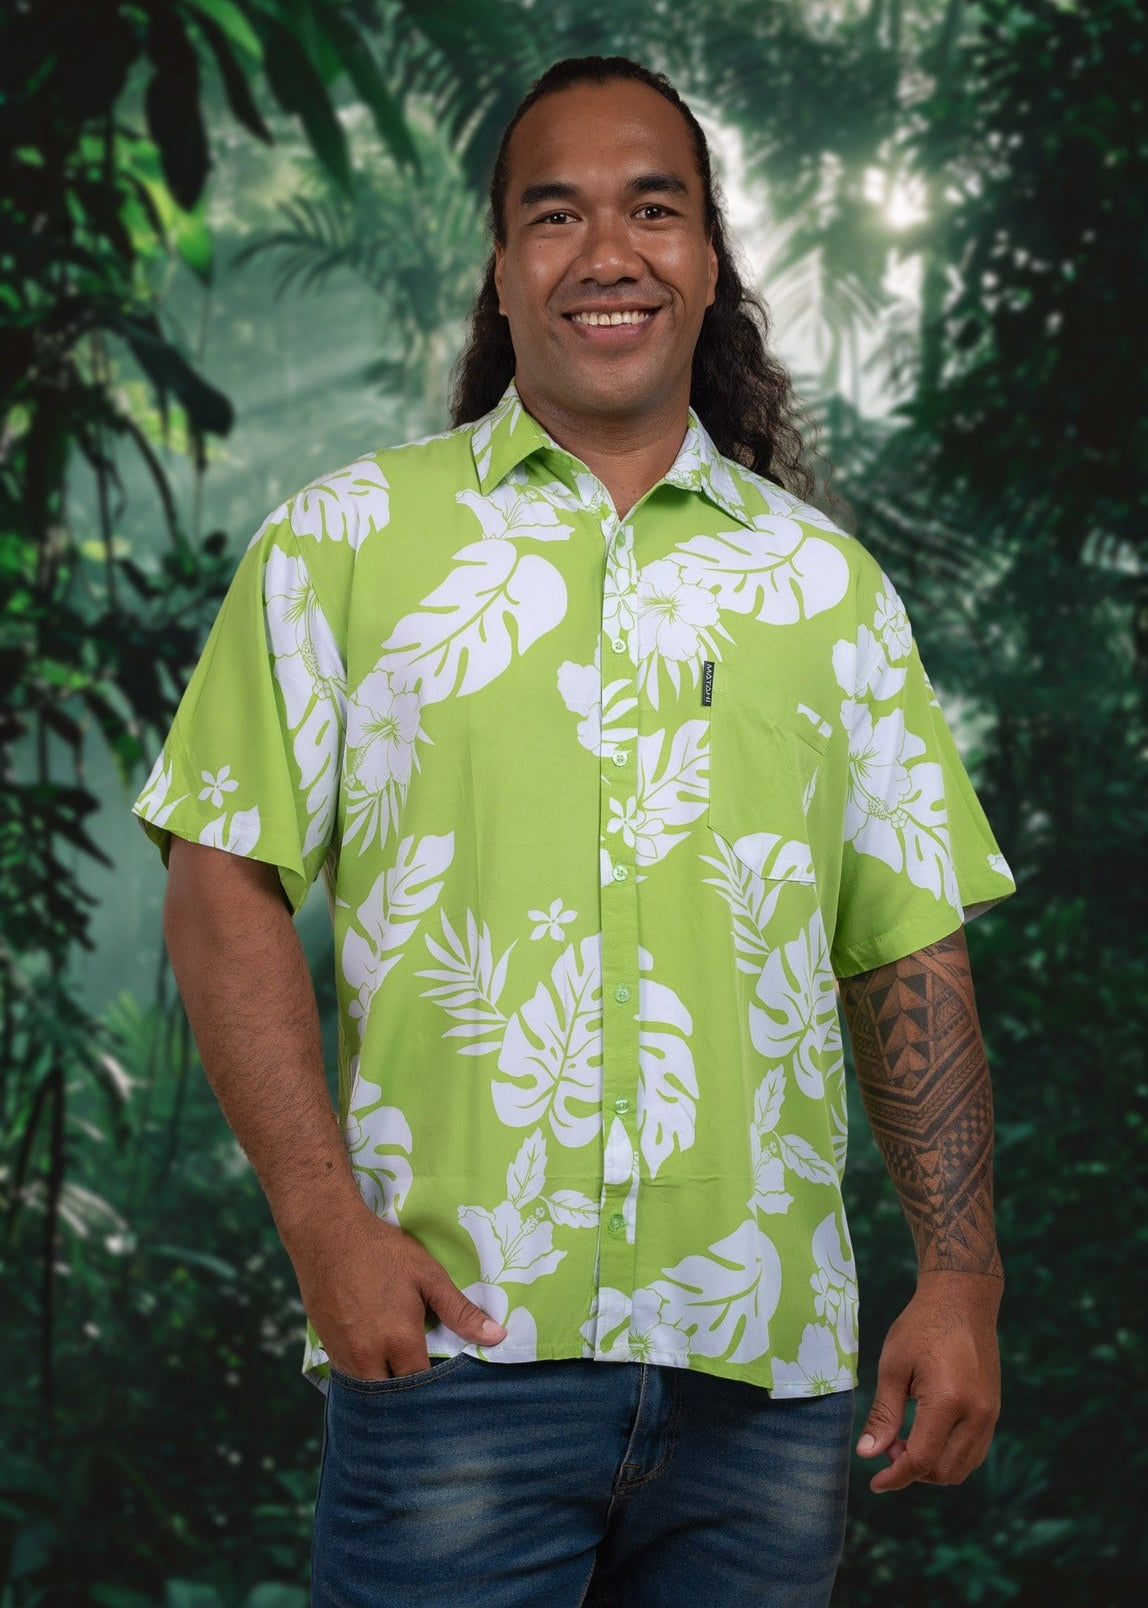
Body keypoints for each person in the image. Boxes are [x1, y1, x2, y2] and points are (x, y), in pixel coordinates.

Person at [136, 54, 1015, 1608]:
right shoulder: (342, 544)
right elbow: (221, 882)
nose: (607, 253)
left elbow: (907, 943)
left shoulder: (830, 591)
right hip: (462, 1360)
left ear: (710, 256)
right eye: (555, 215)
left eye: (652, 209)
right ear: (499, 264)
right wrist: (324, 1224)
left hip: (768, 1386)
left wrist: (960, 1274)